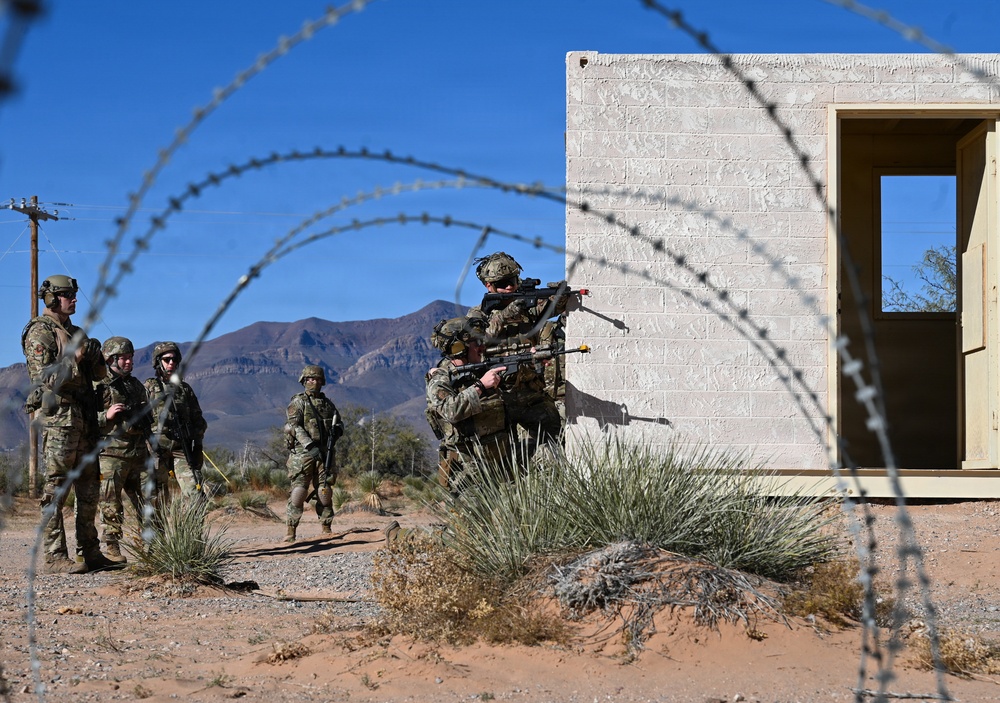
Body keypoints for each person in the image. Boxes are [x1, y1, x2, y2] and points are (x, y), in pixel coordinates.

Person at [21, 274, 116, 574]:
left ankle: (90, 551)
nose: (74, 299)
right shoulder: (40, 331)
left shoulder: (76, 332)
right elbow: (43, 377)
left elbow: (99, 375)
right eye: (67, 295)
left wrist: (96, 358)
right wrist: (75, 357)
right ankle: (54, 556)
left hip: (84, 418)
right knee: (56, 488)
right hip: (59, 420)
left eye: (74, 294)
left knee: (89, 488)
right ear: (51, 299)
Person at [467, 252, 564, 450]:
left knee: (557, 440)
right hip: (499, 396)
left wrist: (560, 294)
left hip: (532, 394)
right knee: (505, 454)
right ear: (489, 286)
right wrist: (503, 317)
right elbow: (477, 340)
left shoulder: (527, 307)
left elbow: (554, 306)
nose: (510, 287)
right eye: (503, 284)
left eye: (512, 281)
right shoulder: (478, 314)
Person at [425, 317, 509, 491]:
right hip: (465, 473)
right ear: (459, 348)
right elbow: (451, 411)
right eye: (476, 343)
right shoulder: (440, 379)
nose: (482, 347)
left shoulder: (478, 369)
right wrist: (480, 386)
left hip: (494, 463)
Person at [96, 336, 152, 563]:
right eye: (124, 358)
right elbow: (84, 418)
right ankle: (112, 548)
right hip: (111, 454)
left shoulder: (135, 385)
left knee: (148, 500)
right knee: (111, 503)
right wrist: (105, 416)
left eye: (131, 357)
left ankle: (150, 546)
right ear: (111, 359)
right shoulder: (98, 385)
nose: (129, 362)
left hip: (138, 452)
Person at [283, 364, 343, 542]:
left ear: (322, 381)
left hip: (325, 452)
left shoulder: (327, 404)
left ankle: (326, 528)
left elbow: (339, 422)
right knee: (299, 492)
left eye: (317, 379)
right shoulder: (298, 402)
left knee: (324, 491)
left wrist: (337, 431)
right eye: (310, 379)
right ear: (304, 380)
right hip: (303, 453)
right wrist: (309, 446)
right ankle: (291, 531)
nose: (314, 382)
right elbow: (293, 426)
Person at [144, 342, 207, 506]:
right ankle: (159, 524)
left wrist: (197, 445)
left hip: (181, 448)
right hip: (156, 450)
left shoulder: (184, 389)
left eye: (174, 359)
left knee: (195, 492)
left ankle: (192, 523)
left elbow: (198, 419)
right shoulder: (149, 388)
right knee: (156, 498)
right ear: (158, 362)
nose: (171, 363)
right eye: (167, 359)